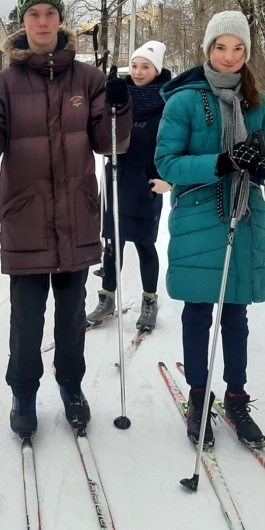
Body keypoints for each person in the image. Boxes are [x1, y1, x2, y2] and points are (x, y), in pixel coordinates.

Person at [0, 0, 132, 437]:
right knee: (26, 318)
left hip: (77, 216)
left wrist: (119, 108)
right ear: (23, 22)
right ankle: (23, 392)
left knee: (72, 315)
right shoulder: (4, 84)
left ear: (61, 19)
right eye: (34, 14)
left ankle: (71, 386)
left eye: (50, 13)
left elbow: (109, 144)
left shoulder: (89, 79)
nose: (42, 22)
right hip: (26, 218)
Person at [154, 11, 265, 450]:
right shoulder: (185, 101)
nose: (229, 56)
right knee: (198, 312)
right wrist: (221, 162)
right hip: (200, 218)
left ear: (247, 52)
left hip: (244, 219)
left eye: (238, 48)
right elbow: (167, 164)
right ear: (208, 49)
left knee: (236, 315)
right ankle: (198, 397)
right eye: (221, 47)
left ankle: (236, 397)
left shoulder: (258, 102)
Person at [86, 40, 172, 332]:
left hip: (147, 184)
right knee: (112, 243)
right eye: (134, 65)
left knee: (145, 244)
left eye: (145, 66)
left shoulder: (167, 103)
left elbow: (176, 145)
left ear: (157, 70)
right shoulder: (119, 97)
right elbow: (101, 133)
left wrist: (169, 181)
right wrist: (110, 104)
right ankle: (106, 299)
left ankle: (149, 301)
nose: (137, 72)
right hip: (116, 178)